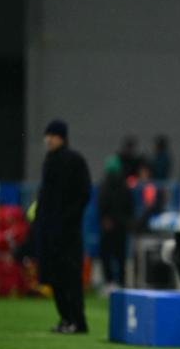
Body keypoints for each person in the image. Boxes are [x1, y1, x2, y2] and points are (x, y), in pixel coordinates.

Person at [36, 120, 91, 334]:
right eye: (47, 135)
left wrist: (67, 219)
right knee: (54, 276)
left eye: (52, 135)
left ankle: (78, 320)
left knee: (70, 277)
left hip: (68, 233)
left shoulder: (74, 161)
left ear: (62, 137)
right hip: (49, 232)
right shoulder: (49, 161)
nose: (48, 139)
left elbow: (83, 194)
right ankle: (65, 318)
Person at [97, 155, 134, 291]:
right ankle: (121, 282)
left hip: (109, 226)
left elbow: (101, 204)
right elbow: (130, 207)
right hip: (122, 226)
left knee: (106, 255)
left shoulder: (105, 185)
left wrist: (104, 218)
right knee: (121, 256)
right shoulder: (125, 186)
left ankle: (109, 282)